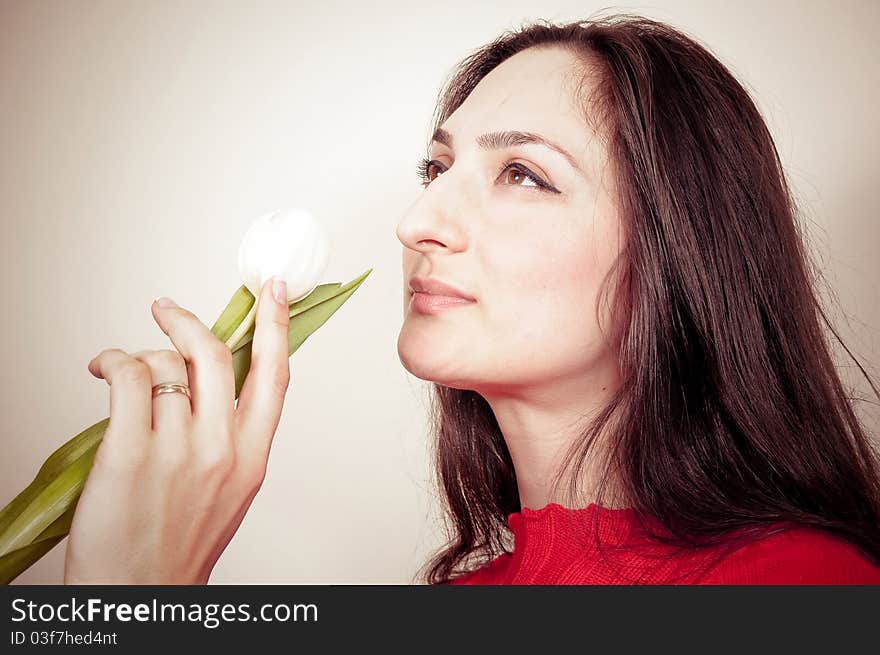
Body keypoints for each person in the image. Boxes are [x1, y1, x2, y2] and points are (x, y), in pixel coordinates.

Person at [64, 14, 880, 585]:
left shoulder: (807, 587)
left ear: (681, 251)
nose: (417, 223)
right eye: (435, 169)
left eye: (522, 173)